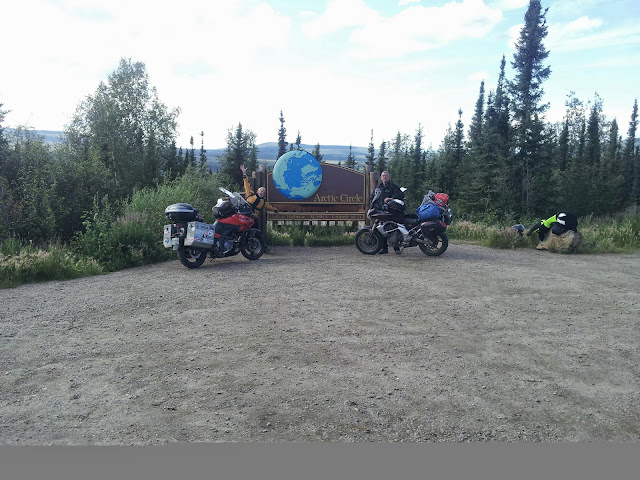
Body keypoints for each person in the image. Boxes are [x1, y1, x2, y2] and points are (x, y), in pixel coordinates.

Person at [240, 164, 279, 252]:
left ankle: (263, 247)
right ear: (258, 191)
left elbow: (269, 207)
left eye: (263, 192)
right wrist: (244, 173)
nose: (262, 193)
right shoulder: (251, 194)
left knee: (257, 233)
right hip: (245, 217)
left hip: (254, 219)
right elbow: (246, 184)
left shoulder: (263, 202)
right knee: (242, 232)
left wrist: (275, 210)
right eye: (261, 191)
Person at [370, 170, 405, 254]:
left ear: (389, 177)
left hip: (391, 211)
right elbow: (373, 196)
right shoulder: (378, 187)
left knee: (392, 228)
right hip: (381, 210)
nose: (384, 177)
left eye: (386, 176)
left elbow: (401, 195)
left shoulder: (393, 186)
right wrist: (374, 204)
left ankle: (396, 248)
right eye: (383, 176)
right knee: (381, 229)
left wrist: (391, 198)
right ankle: (384, 248)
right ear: (381, 177)